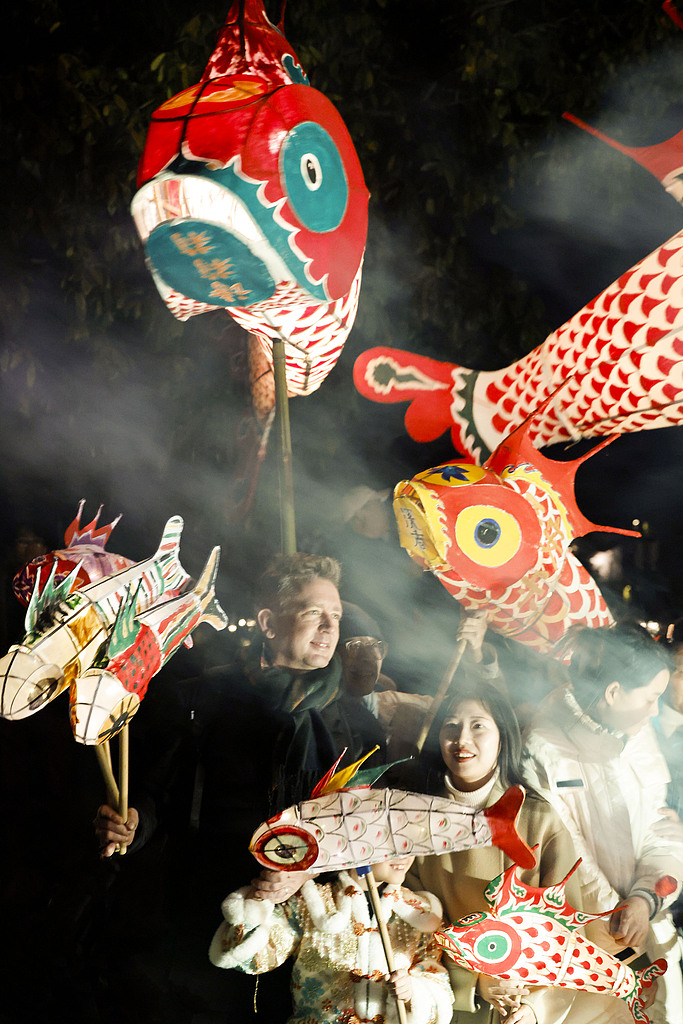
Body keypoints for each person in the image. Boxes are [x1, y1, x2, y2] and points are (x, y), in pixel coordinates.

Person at [92, 552, 345, 1022]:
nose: (329, 627)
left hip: (299, 928)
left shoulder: (348, 718)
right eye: (313, 613)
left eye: (336, 616)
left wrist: (305, 871)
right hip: (201, 907)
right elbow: (156, 792)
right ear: (268, 623)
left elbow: (361, 828)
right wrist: (134, 822)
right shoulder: (203, 696)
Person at [523, 624, 683, 1024]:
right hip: (587, 952)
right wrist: (620, 918)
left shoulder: (638, 733)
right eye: (650, 698)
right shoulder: (543, 747)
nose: (653, 710)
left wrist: (646, 899)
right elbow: (567, 854)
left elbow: (659, 829)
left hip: (649, 928)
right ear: (613, 693)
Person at [401, 680, 582, 1024]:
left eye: (478, 726)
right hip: (444, 1005)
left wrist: (536, 1006)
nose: (461, 739)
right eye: (450, 725)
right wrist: (472, 977)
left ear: (503, 738)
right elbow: (408, 924)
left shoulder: (540, 819)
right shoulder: (416, 819)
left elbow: (568, 931)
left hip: (524, 1005)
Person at [209, 854, 455, 1024]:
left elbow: (435, 975)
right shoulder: (312, 903)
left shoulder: (421, 915)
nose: (403, 855)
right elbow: (253, 959)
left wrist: (413, 991)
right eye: (390, 843)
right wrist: (258, 902)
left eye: (408, 843)